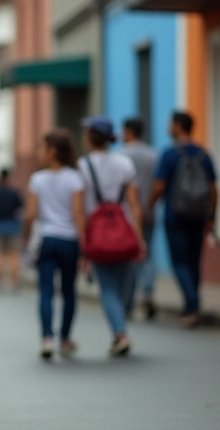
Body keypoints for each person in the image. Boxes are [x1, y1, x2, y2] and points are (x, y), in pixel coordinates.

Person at [78, 116, 146, 356]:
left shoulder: (82, 166)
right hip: (123, 230)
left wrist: (82, 240)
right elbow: (134, 204)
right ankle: (121, 324)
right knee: (124, 284)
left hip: (97, 233)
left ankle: (120, 333)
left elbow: (77, 207)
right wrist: (139, 236)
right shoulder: (124, 163)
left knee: (107, 287)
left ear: (90, 137)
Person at [150, 112, 218, 327]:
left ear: (178, 126)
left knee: (179, 261)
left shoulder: (170, 154)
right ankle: (191, 305)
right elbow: (214, 189)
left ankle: (192, 305)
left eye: (170, 124)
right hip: (198, 215)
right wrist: (212, 216)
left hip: (175, 214)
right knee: (193, 261)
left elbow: (159, 186)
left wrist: (149, 206)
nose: (168, 127)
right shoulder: (203, 154)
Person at [23, 129, 85, 359]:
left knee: (46, 292)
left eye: (42, 148)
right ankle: (66, 338)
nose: (40, 152)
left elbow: (30, 214)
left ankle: (47, 338)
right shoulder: (75, 178)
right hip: (70, 240)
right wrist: (84, 240)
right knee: (69, 291)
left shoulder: (37, 179)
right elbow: (78, 212)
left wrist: (26, 236)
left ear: (54, 151)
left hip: (47, 240)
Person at [120, 118, 159, 320]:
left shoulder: (121, 155)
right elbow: (158, 184)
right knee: (147, 254)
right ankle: (149, 291)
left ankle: (128, 301)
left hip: (127, 215)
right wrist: (149, 207)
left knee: (129, 258)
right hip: (148, 212)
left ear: (128, 132)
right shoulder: (153, 155)